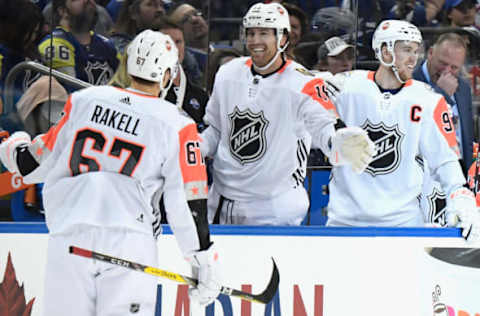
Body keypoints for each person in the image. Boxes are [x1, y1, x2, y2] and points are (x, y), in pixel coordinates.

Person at [0, 30, 220, 315]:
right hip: (128, 242)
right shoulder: (177, 124)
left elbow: (34, 164)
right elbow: (187, 202)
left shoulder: (84, 101)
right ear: (166, 75)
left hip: (70, 235)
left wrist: (12, 145)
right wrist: (202, 261)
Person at [200, 2, 375, 225]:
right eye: (251, 33)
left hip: (273, 208)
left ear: (283, 39)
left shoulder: (304, 82)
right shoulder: (227, 73)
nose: (255, 41)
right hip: (221, 201)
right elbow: (215, 129)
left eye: (264, 33)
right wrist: (196, 146)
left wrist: (337, 142)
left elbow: (323, 126)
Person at [326, 20, 480, 242]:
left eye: (416, 51)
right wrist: (332, 134)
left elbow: (446, 160)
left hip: (402, 227)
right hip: (344, 223)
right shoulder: (347, 87)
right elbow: (307, 95)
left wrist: (460, 195)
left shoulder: (429, 100)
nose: (413, 58)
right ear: (385, 51)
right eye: (406, 50)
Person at [413, 32, 474, 225]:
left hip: (455, 179)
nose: (447, 71)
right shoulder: (410, 82)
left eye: (454, 67)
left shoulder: (463, 88)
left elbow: (466, 134)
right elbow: (419, 125)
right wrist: (442, 94)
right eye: (442, 63)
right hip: (420, 184)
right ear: (430, 53)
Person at [38, 0, 119, 86]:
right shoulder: (54, 44)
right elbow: (71, 89)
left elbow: (124, 84)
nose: (87, 1)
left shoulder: (107, 44)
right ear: (63, 11)